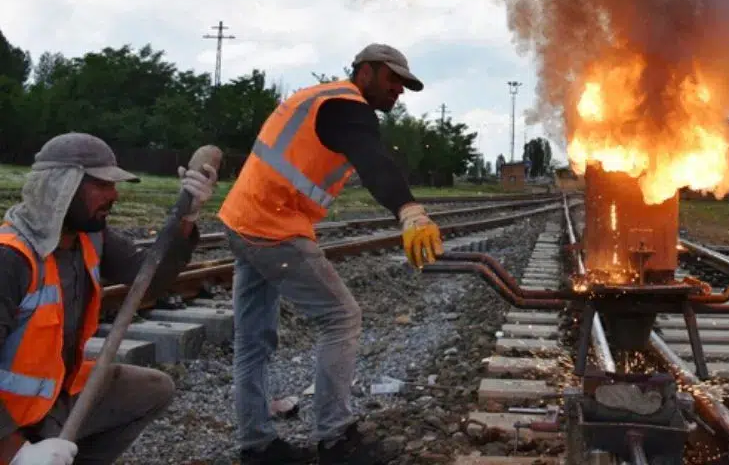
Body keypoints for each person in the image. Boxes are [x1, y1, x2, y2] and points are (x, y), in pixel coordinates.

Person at [217, 43, 444, 465]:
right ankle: (336, 439)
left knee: (251, 342)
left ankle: (257, 446)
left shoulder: (319, 101)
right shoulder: (347, 107)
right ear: (366, 72)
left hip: (242, 219)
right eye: (393, 80)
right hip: (273, 225)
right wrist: (408, 210)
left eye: (405, 85)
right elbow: (374, 160)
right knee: (341, 316)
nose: (399, 91)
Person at [0, 133, 216, 465]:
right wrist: (16, 452)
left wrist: (186, 219)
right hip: (9, 418)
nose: (114, 195)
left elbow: (151, 278)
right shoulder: (10, 259)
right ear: (63, 187)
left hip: (53, 402)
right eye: (102, 185)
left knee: (152, 390)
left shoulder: (90, 237)